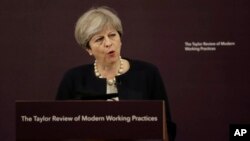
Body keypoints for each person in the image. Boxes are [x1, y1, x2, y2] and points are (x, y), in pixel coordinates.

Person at [56, 6, 176, 140]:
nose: (108, 43)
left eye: (112, 35)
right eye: (99, 39)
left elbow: (166, 128)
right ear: (88, 49)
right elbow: (58, 129)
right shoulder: (73, 79)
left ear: (120, 38)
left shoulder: (147, 73)